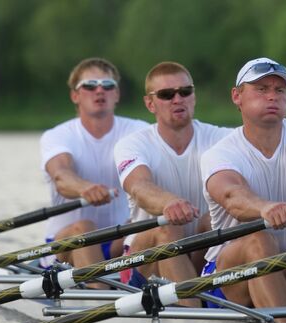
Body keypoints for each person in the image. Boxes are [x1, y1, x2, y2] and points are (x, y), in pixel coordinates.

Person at [200, 57, 286, 323]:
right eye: (261, 89)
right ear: (237, 96)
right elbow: (232, 197)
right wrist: (264, 208)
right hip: (229, 281)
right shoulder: (220, 153)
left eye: (279, 90)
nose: (272, 96)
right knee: (260, 240)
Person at [114, 62, 231, 307]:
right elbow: (139, 186)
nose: (178, 99)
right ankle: (198, 317)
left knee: (213, 220)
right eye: (167, 95)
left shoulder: (221, 138)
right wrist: (169, 203)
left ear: (194, 96)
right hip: (144, 264)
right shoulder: (132, 144)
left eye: (185, 92)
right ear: (150, 103)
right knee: (167, 229)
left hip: (198, 255)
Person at [39, 57, 148, 285]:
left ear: (116, 95)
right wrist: (85, 188)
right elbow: (61, 176)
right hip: (64, 245)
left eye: (108, 85)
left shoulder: (139, 131)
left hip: (118, 242)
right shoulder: (58, 136)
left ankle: (189, 302)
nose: (100, 90)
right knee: (85, 228)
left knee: (146, 227)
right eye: (90, 85)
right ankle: (101, 304)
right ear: (75, 96)